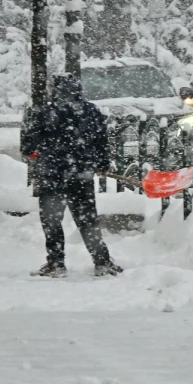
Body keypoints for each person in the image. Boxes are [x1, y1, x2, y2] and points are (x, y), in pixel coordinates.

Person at [21, 73, 123, 278]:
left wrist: (37, 152)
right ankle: (101, 262)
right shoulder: (92, 112)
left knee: (52, 221)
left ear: (56, 90)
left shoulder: (46, 113)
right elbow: (101, 142)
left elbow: (28, 145)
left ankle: (56, 263)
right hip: (81, 176)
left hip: (52, 175)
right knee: (87, 220)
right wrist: (101, 163)